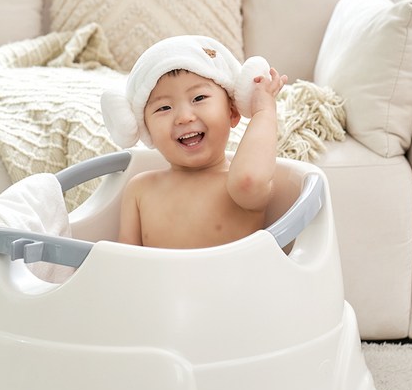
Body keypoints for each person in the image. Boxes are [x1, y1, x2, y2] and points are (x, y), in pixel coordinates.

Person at [100, 35, 287, 249]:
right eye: (164, 108)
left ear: (233, 111)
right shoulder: (139, 189)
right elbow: (125, 260)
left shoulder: (238, 186)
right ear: (145, 129)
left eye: (199, 98)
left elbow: (249, 179)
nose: (184, 117)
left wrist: (263, 111)